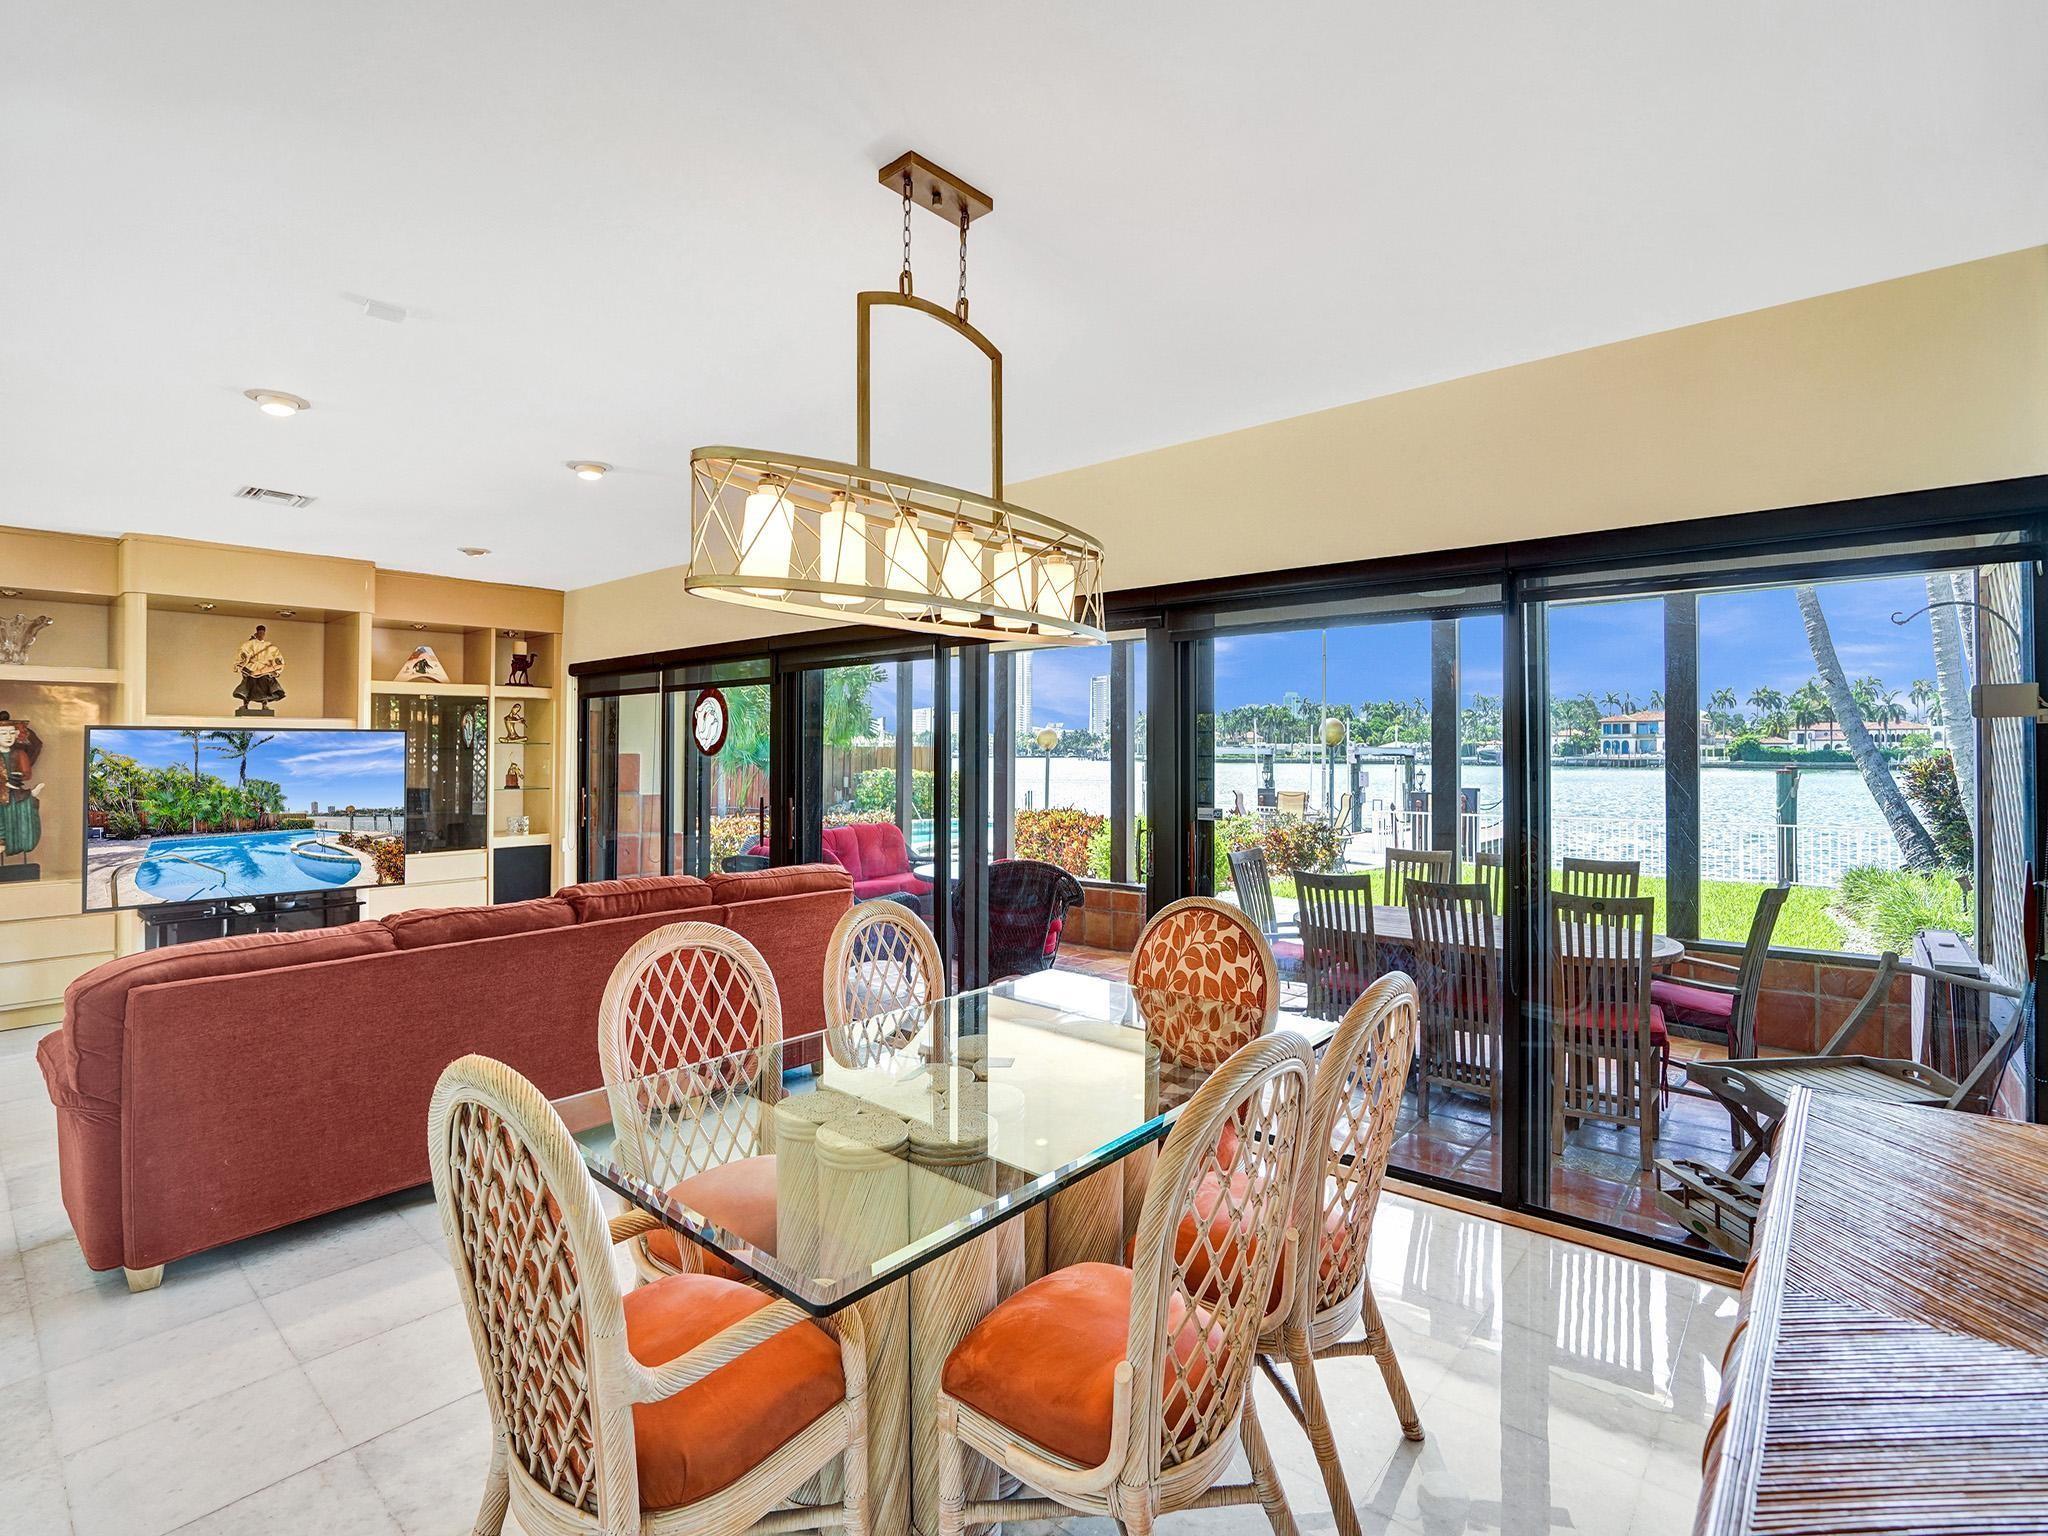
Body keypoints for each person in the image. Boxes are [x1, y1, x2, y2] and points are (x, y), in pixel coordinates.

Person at [0, 712, 44, 873]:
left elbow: (26, 773)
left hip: (15, 793)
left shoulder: (19, 753)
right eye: (3, 733)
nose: (8, 737)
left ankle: (14, 843)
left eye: (12, 733)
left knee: (25, 807)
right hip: (2, 794)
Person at [234, 624, 286, 714]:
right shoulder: (250, 644)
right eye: (259, 633)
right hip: (252, 668)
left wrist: (276, 668)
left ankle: (264, 704)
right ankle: (245, 704)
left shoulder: (269, 646)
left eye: (262, 633)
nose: (261, 634)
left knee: (265, 685)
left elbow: (277, 657)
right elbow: (244, 653)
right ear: (257, 633)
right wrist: (241, 664)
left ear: (264, 634)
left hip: (264, 668)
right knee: (248, 685)